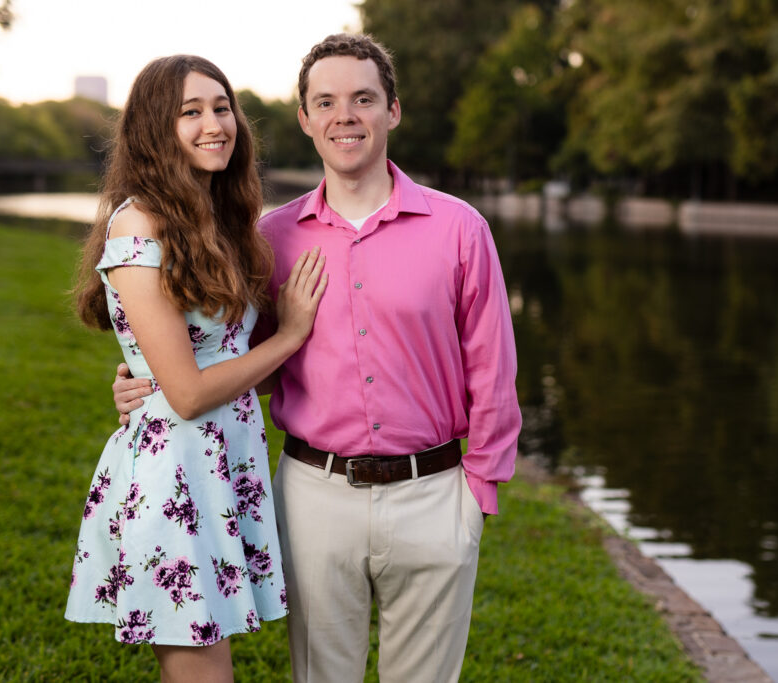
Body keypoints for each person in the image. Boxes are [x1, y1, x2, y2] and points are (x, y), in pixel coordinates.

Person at [114, 34, 521, 682]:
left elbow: (494, 371)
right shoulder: (271, 238)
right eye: (325, 101)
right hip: (313, 498)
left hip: (435, 496)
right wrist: (146, 380)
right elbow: (234, 359)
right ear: (304, 118)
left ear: (393, 109)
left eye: (363, 98)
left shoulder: (459, 228)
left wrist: (478, 492)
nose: (345, 116)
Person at [65, 54, 327, 683]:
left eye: (221, 107)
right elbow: (185, 394)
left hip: (218, 464)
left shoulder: (218, 218)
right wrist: (290, 335)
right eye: (191, 112)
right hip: (174, 477)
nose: (216, 123)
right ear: (157, 129)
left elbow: (230, 365)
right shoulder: (138, 223)